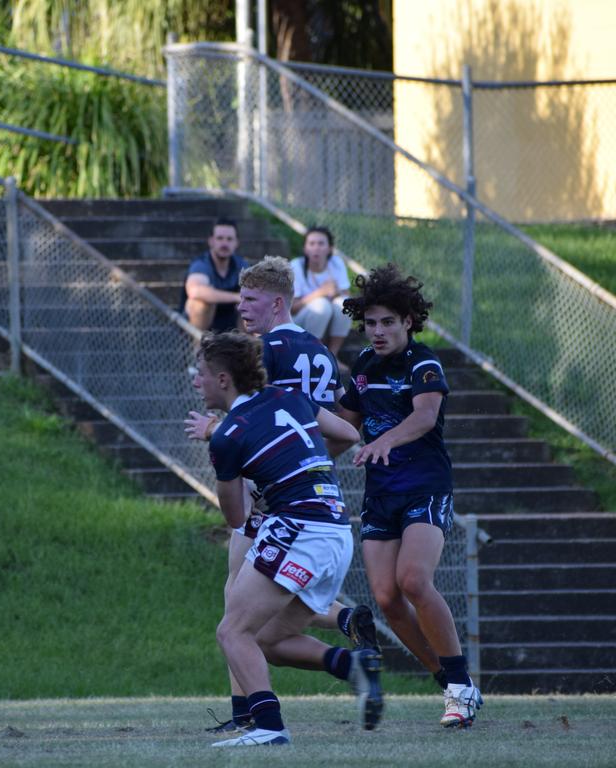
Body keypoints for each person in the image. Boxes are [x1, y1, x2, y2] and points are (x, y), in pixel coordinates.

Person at [185, 257, 381, 734]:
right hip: (316, 503)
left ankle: (249, 715)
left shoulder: (266, 350)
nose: (242, 307)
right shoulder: (317, 349)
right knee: (260, 617)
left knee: (237, 613)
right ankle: (346, 641)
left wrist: (227, 440)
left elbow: (252, 415)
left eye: (250, 299)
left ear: (277, 301)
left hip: (279, 507)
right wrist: (305, 463)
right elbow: (331, 427)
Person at [337, 265, 484, 728]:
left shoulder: (424, 362)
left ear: (407, 322)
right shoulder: (362, 366)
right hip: (381, 494)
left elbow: (424, 418)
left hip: (424, 486)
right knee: (385, 597)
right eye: (371, 323)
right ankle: (451, 683)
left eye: (388, 322)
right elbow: (343, 428)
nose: (377, 332)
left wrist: (384, 441)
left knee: (414, 581)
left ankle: (460, 687)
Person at [290, 227, 352, 373]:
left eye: (321, 243)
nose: (316, 248)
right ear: (305, 248)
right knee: (321, 305)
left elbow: (346, 294)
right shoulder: (296, 266)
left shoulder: (336, 263)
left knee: (343, 304)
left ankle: (332, 355)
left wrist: (336, 292)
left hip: (327, 316)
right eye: (311, 243)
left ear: (329, 248)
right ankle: (312, 357)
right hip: (300, 320)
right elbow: (292, 308)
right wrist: (320, 292)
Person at [182, 218, 249, 332]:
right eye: (220, 238)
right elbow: (195, 291)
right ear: (211, 241)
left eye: (229, 239)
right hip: (196, 327)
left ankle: (247, 348)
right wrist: (236, 297)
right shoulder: (201, 263)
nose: (224, 243)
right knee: (201, 303)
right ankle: (198, 348)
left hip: (231, 322)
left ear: (236, 243)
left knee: (250, 306)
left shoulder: (241, 264)